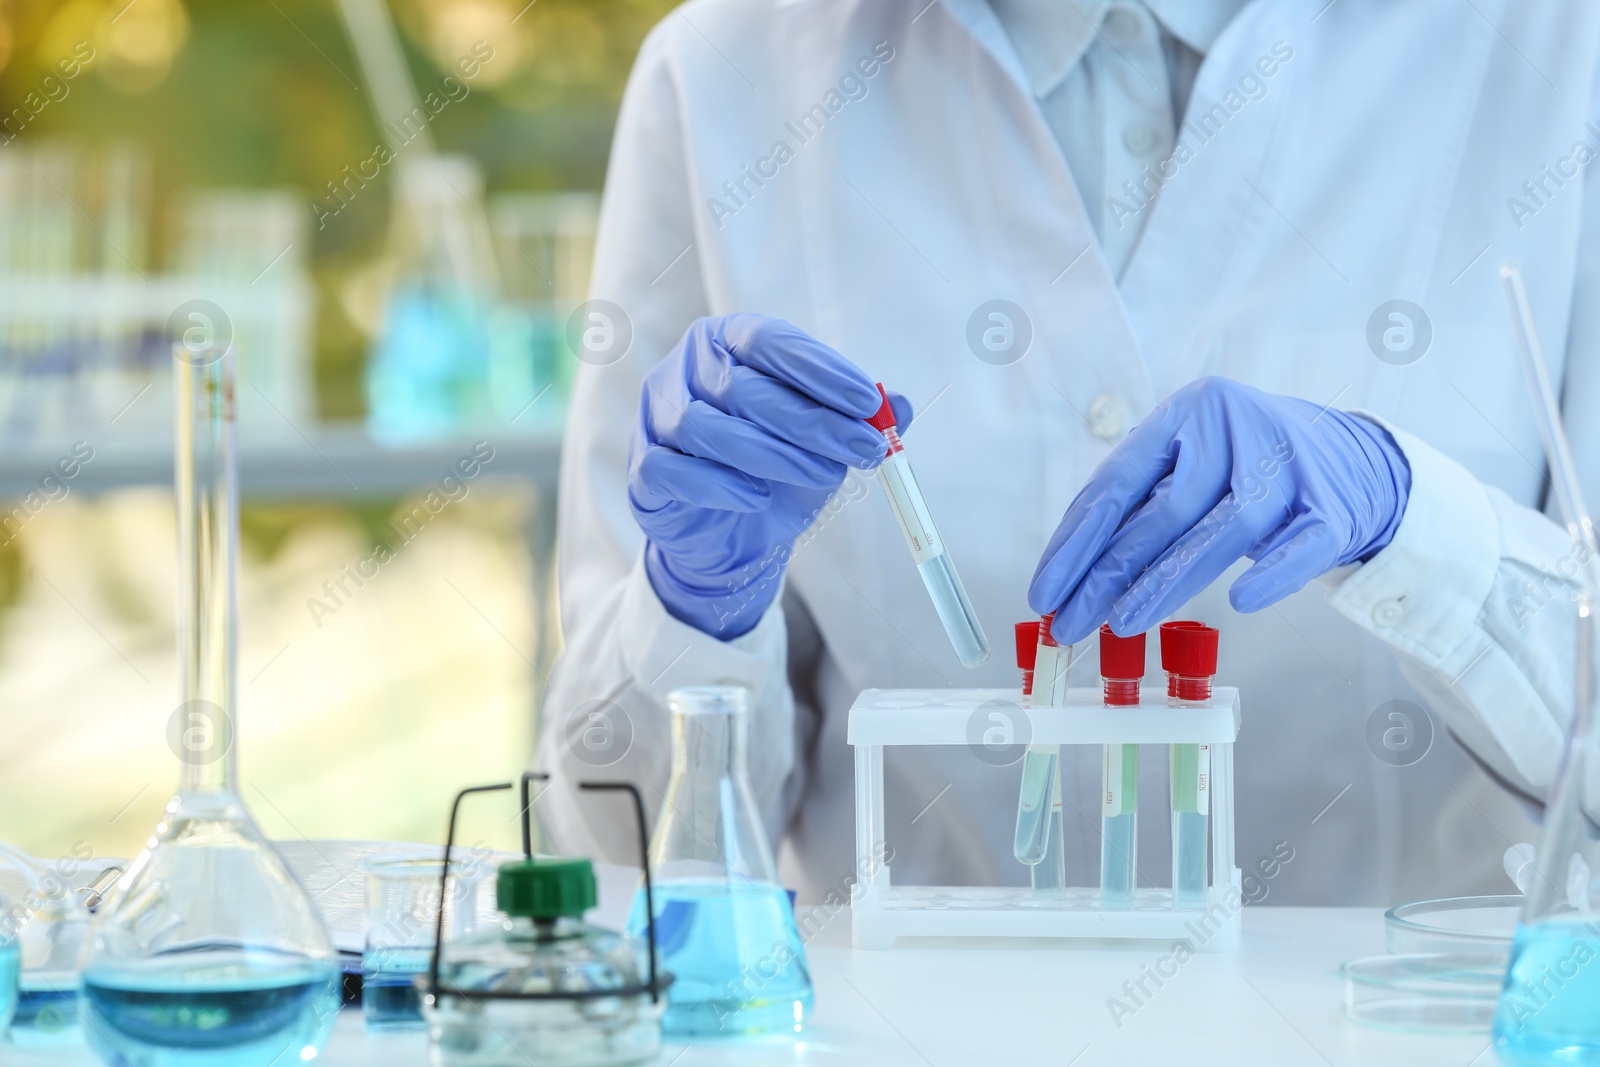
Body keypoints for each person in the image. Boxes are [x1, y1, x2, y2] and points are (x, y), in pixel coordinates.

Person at [539, 0, 1596, 905]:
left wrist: (1421, 529)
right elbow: (609, 846)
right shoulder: (725, 77)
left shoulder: (1551, 55)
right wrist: (694, 616)